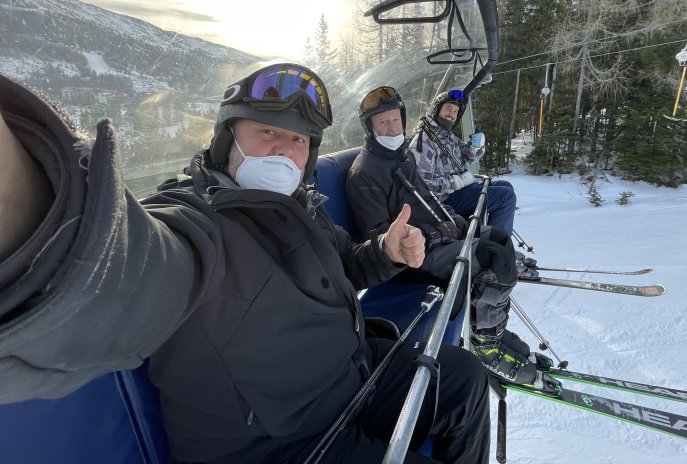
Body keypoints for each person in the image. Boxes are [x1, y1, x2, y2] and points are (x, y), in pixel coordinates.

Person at [0, 64, 492, 464]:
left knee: (465, 380)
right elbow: (120, 269)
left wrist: (385, 251)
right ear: (226, 141)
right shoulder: (195, 223)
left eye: (299, 141)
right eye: (267, 132)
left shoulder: (303, 207)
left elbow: (346, 262)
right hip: (278, 444)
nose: (284, 150)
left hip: (348, 377)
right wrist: (27, 203)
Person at [346, 86, 560, 393]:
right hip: (412, 259)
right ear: (370, 127)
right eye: (383, 122)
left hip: (436, 238)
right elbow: (382, 240)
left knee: (499, 239)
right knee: (492, 260)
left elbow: (429, 198)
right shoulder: (365, 173)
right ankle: (486, 348)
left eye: (395, 119)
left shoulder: (401, 157)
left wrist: (454, 220)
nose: (393, 128)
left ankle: (489, 331)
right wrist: (435, 234)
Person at [410, 90, 518, 237]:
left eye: (455, 111)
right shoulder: (424, 141)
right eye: (448, 108)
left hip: (457, 191)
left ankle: (488, 233)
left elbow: (466, 156)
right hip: (443, 200)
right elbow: (424, 186)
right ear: (437, 109)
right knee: (505, 196)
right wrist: (457, 182)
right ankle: (496, 244)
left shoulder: (446, 135)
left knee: (506, 185)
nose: (451, 114)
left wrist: (475, 147)